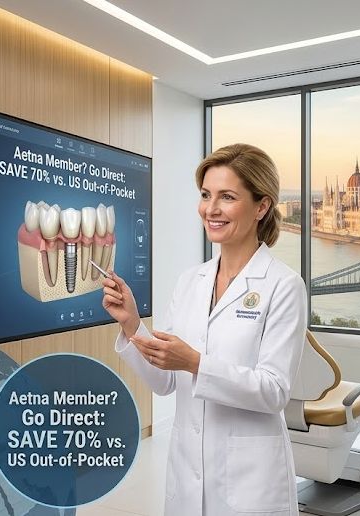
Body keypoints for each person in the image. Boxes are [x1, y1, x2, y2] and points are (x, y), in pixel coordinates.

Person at [101, 144, 306, 516]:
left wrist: (196, 363)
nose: (210, 209)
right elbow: (165, 381)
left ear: (261, 206)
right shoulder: (190, 281)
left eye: (227, 197)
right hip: (186, 473)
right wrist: (132, 323)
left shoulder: (284, 285)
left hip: (251, 483)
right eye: (206, 195)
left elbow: (274, 391)